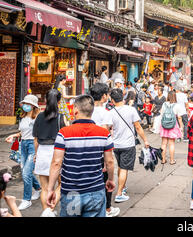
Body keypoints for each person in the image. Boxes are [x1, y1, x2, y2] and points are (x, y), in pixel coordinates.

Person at [47, 95, 116, 217]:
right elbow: (109, 162)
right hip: (95, 191)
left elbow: (57, 163)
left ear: (75, 110)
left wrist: (50, 189)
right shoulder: (104, 134)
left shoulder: (64, 133)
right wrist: (110, 179)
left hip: (71, 192)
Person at [104, 89, 150, 203]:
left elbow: (107, 129)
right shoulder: (131, 110)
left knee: (121, 166)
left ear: (112, 100)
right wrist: (145, 140)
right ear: (123, 97)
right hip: (128, 144)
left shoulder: (111, 112)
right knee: (124, 168)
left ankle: (122, 187)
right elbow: (138, 127)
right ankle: (119, 193)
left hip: (116, 144)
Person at [5, 95, 41, 211]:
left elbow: (38, 136)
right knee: (25, 171)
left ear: (33, 106)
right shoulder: (23, 117)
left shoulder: (37, 119)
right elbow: (22, 133)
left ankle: (27, 200)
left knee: (26, 173)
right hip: (23, 145)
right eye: (25, 103)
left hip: (32, 146)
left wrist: (37, 152)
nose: (25, 105)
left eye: (28, 104)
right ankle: (38, 189)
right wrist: (12, 135)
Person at [32, 89, 65, 217]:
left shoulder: (39, 116)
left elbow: (35, 140)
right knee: (61, 184)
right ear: (59, 101)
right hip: (56, 153)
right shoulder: (61, 117)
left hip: (42, 152)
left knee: (45, 187)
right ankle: (50, 211)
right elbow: (65, 139)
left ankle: (45, 211)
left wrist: (36, 154)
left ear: (45, 100)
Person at [90, 83, 121, 217]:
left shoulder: (87, 110)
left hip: (86, 149)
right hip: (101, 151)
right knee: (106, 180)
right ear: (104, 96)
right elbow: (104, 135)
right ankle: (107, 208)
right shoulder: (105, 113)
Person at [159, 91, 184, 164]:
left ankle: (163, 160)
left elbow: (161, 114)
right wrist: (181, 127)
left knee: (163, 143)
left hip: (164, 125)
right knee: (171, 144)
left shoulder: (164, 104)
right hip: (173, 126)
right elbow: (179, 117)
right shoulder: (177, 105)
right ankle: (172, 160)